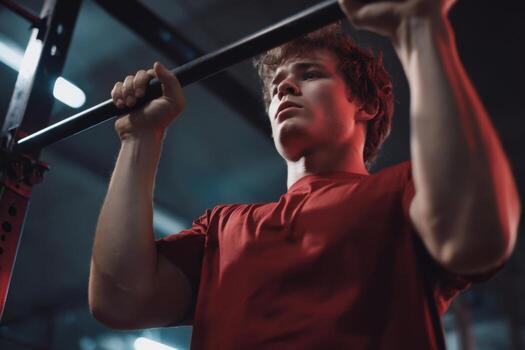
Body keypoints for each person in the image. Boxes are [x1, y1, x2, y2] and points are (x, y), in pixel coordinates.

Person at [88, 0, 521, 349]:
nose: (283, 88)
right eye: (277, 83)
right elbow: (120, 301)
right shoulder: (223, 228)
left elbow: (476, 237)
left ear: (365, 106)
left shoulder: (404, 192)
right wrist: (139, 140)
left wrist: (420, 28)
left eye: (309, 74)